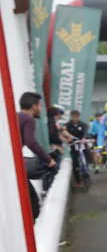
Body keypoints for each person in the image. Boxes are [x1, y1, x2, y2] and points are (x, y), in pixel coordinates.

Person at [18, 92, 55, 220]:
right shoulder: (28, 119)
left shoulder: (17, 116)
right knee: (33, 206)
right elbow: (30, 142)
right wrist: (48, 159)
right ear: (33, 106)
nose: (40, 109)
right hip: (11, 167)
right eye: (39, 106)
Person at [65, 110, 91, 184]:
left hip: (82, 143)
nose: (75, 118)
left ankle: (87, 173)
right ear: (71, 116)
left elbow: (86, 132)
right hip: (73, 145)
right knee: (75, 162)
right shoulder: (67, 125)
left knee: (87, 156)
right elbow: (65, 134)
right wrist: (68, 140)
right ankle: (77, 179)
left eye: (77, 116)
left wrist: (84, 138)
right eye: (74, 116)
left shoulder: (83, 124)